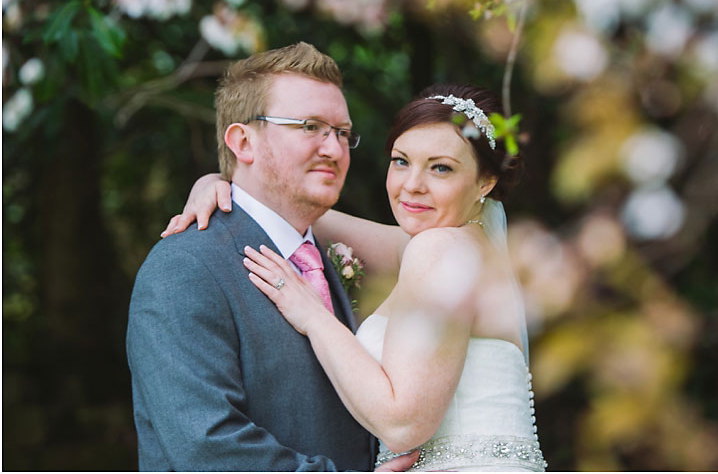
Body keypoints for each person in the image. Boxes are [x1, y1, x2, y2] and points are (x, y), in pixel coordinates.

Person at [165, 84, 548, 472]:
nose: (412, 184)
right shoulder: (460, 248)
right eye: (401, 161)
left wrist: (312, 316)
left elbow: (403, 425)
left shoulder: (440, 250)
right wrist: (218, 183)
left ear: (486, 182)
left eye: (441, 168)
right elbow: (298, 212)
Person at [125, 42, 417, 471]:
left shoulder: (325, 258)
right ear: (243, 141)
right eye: (310, 126)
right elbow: (206, 447)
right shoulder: (184, 267)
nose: (334, 150)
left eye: (341, 132)